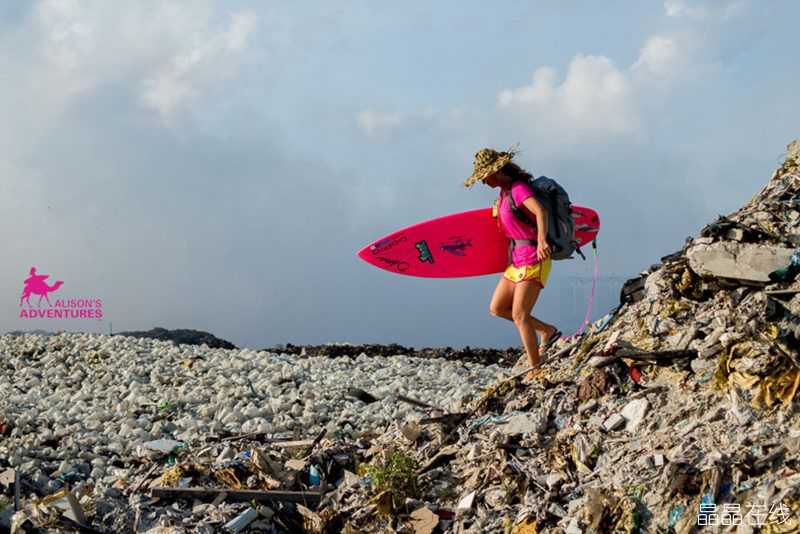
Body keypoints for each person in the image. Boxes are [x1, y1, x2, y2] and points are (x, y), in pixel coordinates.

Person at [464, 148, 561, 378]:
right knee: (497, 308)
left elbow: (540, 212)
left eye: (484, 177)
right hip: (516, 261)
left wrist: (540, 242)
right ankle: (547, 330)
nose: (484, 182)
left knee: (520, 315)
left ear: (495, 172)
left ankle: (534, 369)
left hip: (534, 258)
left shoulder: (518, 189)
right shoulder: (503, 194)